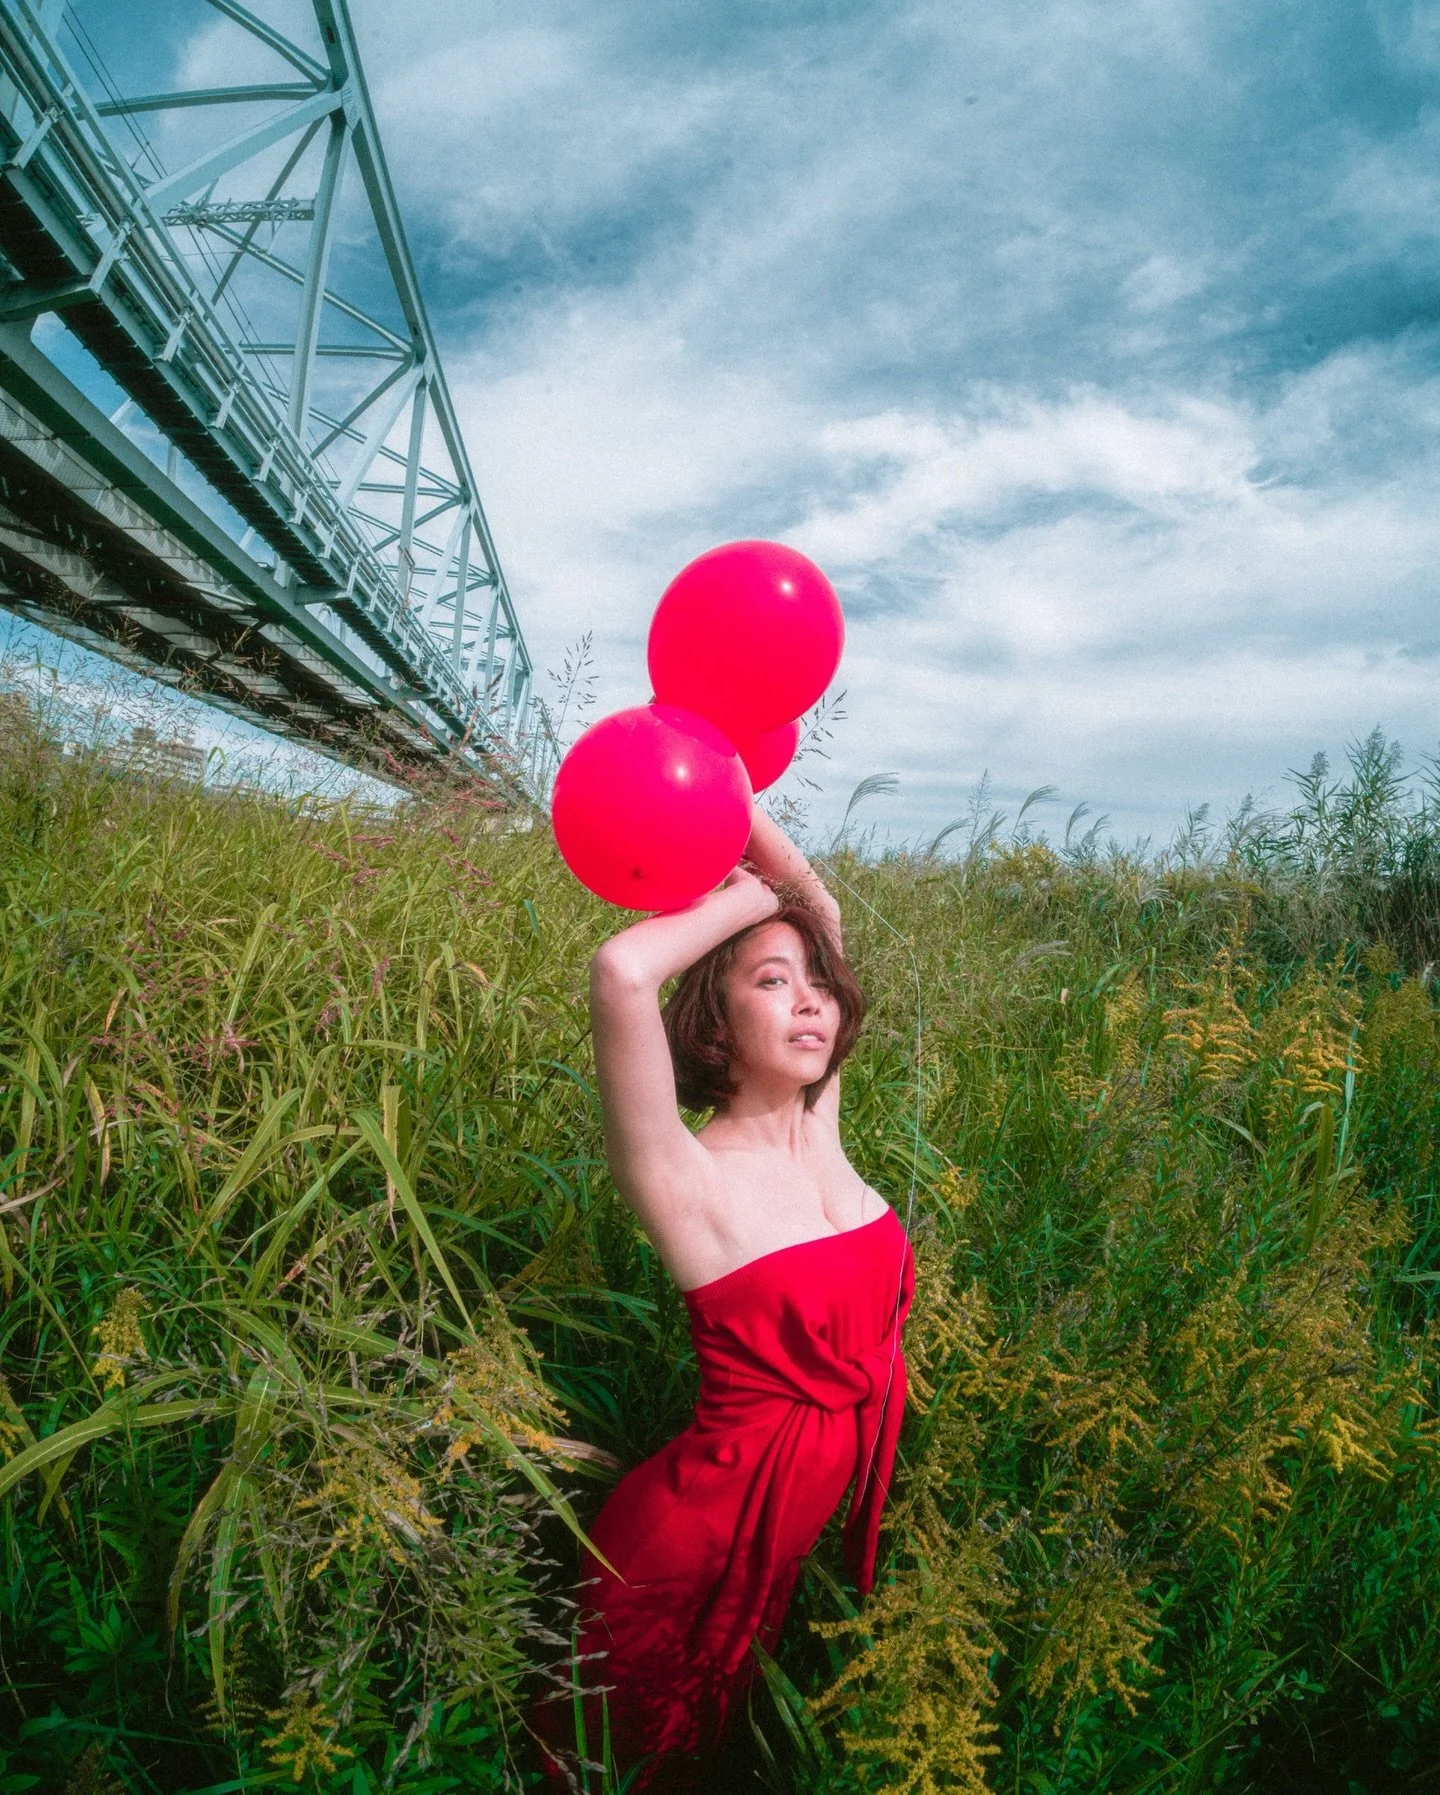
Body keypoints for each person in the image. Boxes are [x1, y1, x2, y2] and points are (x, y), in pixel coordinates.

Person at [536, 805, 913, 1792]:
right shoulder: (684, 1175)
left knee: (696, 1761)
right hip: (685, 1544)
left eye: (820, 984)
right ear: (713, 1022)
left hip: (772, 1547)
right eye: (772, 981)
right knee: (599, 1769)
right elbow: (621, 971)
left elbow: (818, 900)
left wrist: (734, 793)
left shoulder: (817, 1123)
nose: (810, 1001)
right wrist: (745, 896)